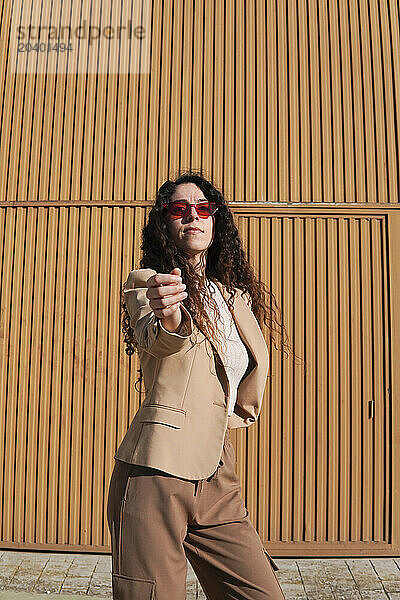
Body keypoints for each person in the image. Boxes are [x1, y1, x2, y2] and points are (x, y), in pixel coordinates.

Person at [107, 171, 295, 599]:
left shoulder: (235, 298)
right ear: (165, 224)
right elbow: (154, 337)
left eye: (202, 208)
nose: (193, 215)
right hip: (158, 471)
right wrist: (171, 315)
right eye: (179, 209)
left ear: (215, 220)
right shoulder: (148, 284)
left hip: (218, 473)